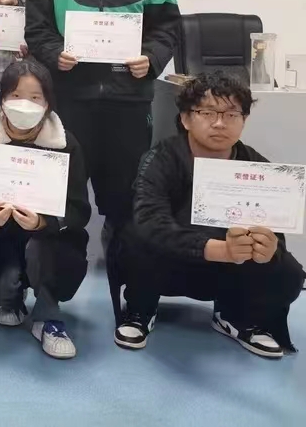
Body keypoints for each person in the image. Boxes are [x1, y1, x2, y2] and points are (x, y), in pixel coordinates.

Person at [25, 0, 180, 246]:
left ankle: (123, 259)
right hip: (71, 98)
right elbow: (37, 28)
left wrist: (151, 58)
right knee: (63, 187)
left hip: (128, 101)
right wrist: (54, 54)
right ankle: (61, 260)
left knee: (125, 192)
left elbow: (168, 28)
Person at [114, 72, 303, 357]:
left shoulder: (257, 167)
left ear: (244, 120)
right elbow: (150, 220)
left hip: (228, 272)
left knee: (289, 272)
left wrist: (267, 250)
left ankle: (235, 315)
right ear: (186, 119)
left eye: (231, 114)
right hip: (168, 264)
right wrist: (217, 249)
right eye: (207, 113)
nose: (219, 123)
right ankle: (141, 309)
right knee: (134, 236)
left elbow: (275, 234)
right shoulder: (161, 158)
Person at [0, 59, 91, 360]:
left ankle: (48, 317)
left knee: (42, 250)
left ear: (48, 103)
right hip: (1, 238)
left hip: (49, 241)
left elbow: (79, 210)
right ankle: (10, 291)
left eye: (35, 97)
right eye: (16, 95)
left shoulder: (65, 144)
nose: (25, 105)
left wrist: (43, 223)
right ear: (2, 98)